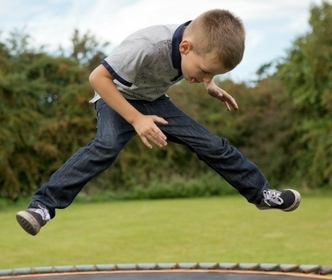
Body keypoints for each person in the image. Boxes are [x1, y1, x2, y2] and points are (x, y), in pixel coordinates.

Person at [16, 9, 301, 236]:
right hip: (115, 97)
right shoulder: (148, 46)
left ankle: (261, 194)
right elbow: (97, 78)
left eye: (209, 74)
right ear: (185, 47)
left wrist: (209, 85)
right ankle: (42, 207)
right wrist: (136, 118)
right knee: (107, 144)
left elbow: (205, 61)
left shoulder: (199, 44)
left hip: (154, 99)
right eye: (202, 73)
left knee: (212, 145)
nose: (201, 77)